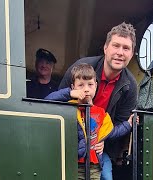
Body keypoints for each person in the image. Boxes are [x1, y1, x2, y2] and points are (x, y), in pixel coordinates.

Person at [58, 22, 137, 179]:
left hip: (101, 146)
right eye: (116, 46)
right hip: (70, 141)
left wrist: (101, 140)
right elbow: (59, 106)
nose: (120, 52)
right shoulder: (80, 68)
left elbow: (119, 123)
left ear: (132, 54)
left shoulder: (131, 86)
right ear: (105, 48)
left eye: (126, 48)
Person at [45, 64, 137, 179]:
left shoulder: (101, 113)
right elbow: (47, 102)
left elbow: (113, 132)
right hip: (73, 163)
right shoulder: (68, 109)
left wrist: (128, 124)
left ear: (95, 86)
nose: (86, 89)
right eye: (80, 85)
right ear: (73, 87)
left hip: (94, 165)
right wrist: (69, 93)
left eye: (90, 84)